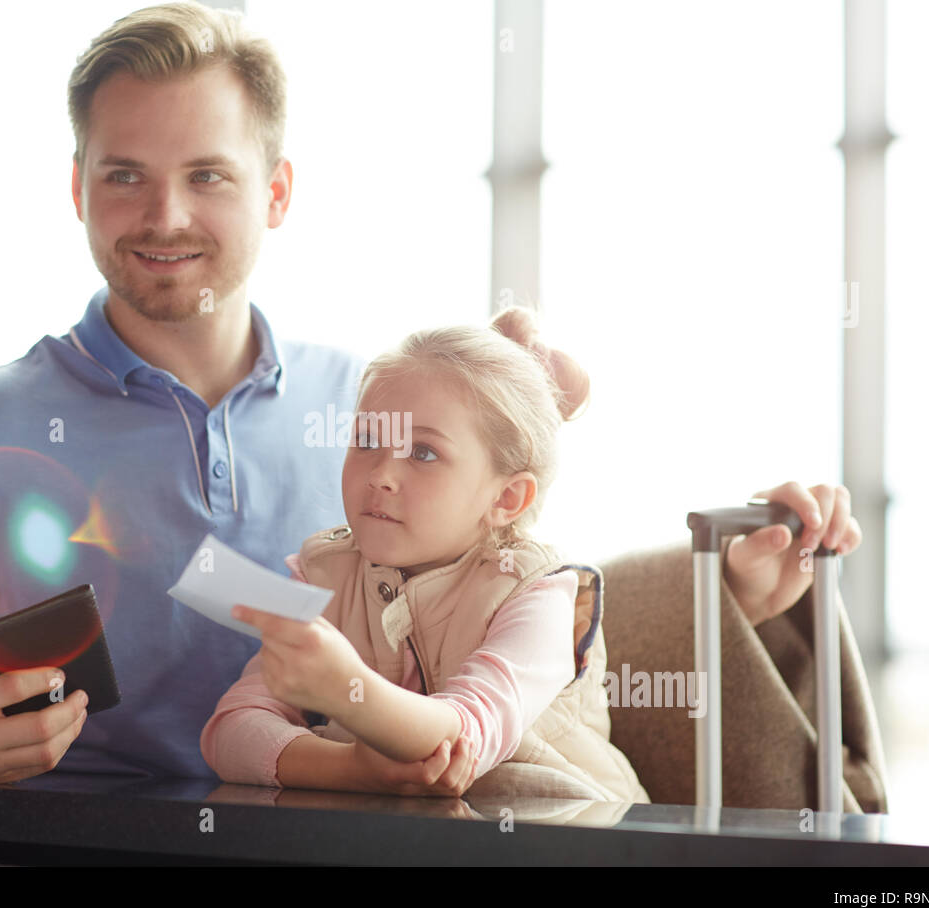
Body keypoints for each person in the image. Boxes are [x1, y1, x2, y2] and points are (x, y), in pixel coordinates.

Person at [0, 1, 862, 788]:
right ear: (76, 188)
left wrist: (727, 592)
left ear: (277, 193)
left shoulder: (366, 410)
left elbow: (495, 612)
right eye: (125, 175)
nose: (164, 214)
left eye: (207, 175)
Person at [201, 309, 653, 800]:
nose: (380, 475)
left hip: (571, 838)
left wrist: (347, 689)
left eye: (424, 453)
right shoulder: (324, 575)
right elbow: (231, 731)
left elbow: (457, 741)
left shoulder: (539, 592)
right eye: (368, 441)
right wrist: (352, 769)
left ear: (506, 499)